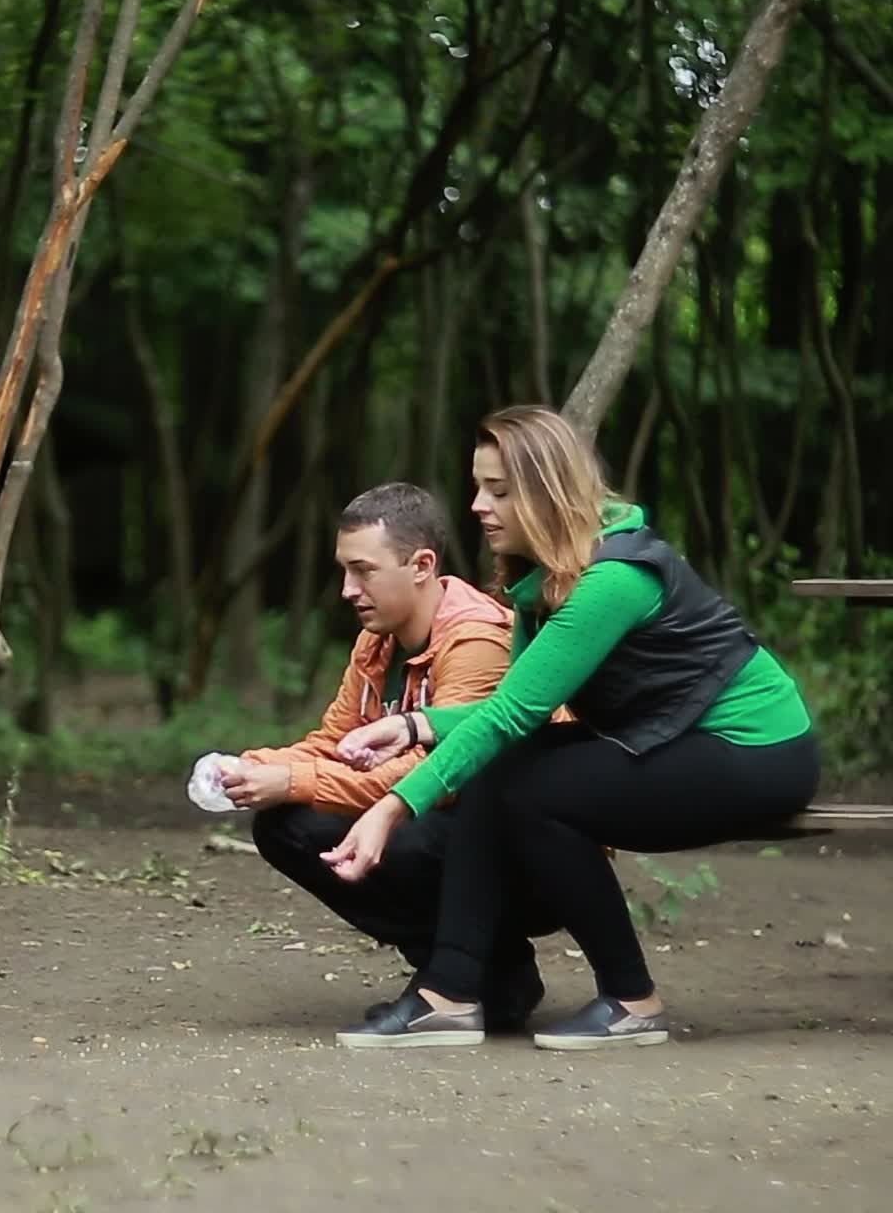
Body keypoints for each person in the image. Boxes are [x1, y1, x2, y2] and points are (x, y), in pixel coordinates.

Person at [324, 406, 819, 1051]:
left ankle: (631, 1000)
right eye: (478, 486)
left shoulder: (613, 579)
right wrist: (417, 723)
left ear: (549, 490)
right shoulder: (545, 579)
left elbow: (511, 717)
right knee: (506, 768)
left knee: (534, 787)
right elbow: (516, 704)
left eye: (499, 490)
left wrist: (394, 805)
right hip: (679, 738)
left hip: (756, 752)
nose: (478, 505)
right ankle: (449, 993)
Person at [221, 482, 552, 1030]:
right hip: (448, 829)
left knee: (395, 831)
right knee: (287, 825)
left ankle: (481, 974)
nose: (349, 589)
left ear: (421, 565)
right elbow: (334, 741)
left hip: (527, 858)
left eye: (365, 571)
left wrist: (295, 780)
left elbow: (447, 774)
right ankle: (476, 971)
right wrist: (256, 765)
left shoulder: (476, 642)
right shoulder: (377, 639)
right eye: (344, 571)